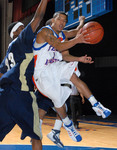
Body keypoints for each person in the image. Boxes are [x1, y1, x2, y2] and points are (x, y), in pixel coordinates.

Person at [33, 11, 111, 143]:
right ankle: (67, 125)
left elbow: (77, 33)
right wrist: (77, 40)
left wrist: (80, 58)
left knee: (72, 75)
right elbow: (58, 45)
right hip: (42, 74)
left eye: (64, 21)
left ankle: (96, 105)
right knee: (59, 102)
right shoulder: (45, 32)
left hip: (54, 67)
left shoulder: (63, 34)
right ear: (53, 19)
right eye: (60, 20)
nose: (62, 23)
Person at [0, 0, 48, 150]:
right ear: (14, 33)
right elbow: (38, 17)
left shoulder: (8, 53)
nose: (24, 28)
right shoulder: (21, 41)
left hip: (4, 96)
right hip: (22, 95)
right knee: (36, 136)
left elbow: (1, 74)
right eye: (21, 28)